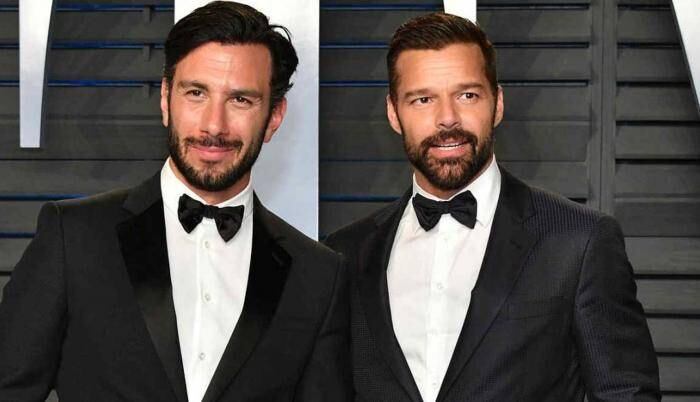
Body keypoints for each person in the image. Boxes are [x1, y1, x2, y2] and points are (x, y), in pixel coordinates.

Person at [0, 2, 351, 401]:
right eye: (196, 93)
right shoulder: (75, 238)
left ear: (274, 116)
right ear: (166, 99)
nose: (214, 125)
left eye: (240, 100)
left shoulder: (317, 276)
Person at [325, 12, 660, 402]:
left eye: (467, 95)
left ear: (497, 104)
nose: (447, 119)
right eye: (423, 99)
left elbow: (626, 394)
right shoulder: (345, 254)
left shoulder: (578, 241)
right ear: (393, 113)